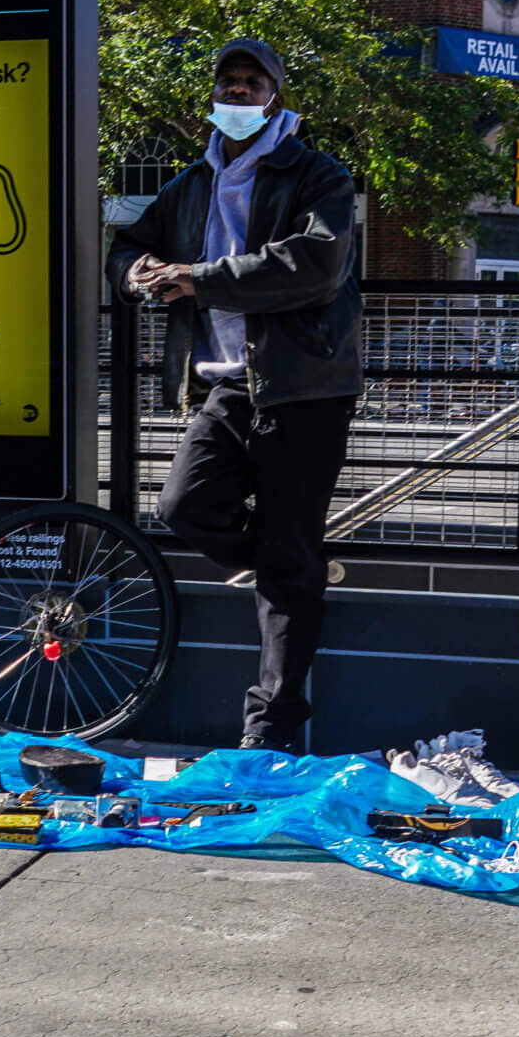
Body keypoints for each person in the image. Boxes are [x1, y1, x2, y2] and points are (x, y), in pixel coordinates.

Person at [109, 39, 361, 753]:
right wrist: (139, 274)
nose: (240, 93)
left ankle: (270, 734)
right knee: (183, 507)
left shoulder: (318, 175)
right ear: (213, 95)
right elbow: (126, 245)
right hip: (226, 385)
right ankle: (292, 563)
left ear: (276, 96)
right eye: (229, 82)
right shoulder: (193, 183)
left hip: (304, 388)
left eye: (254, 83)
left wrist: (202, 279)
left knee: (285, 561)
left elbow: (316, 264)